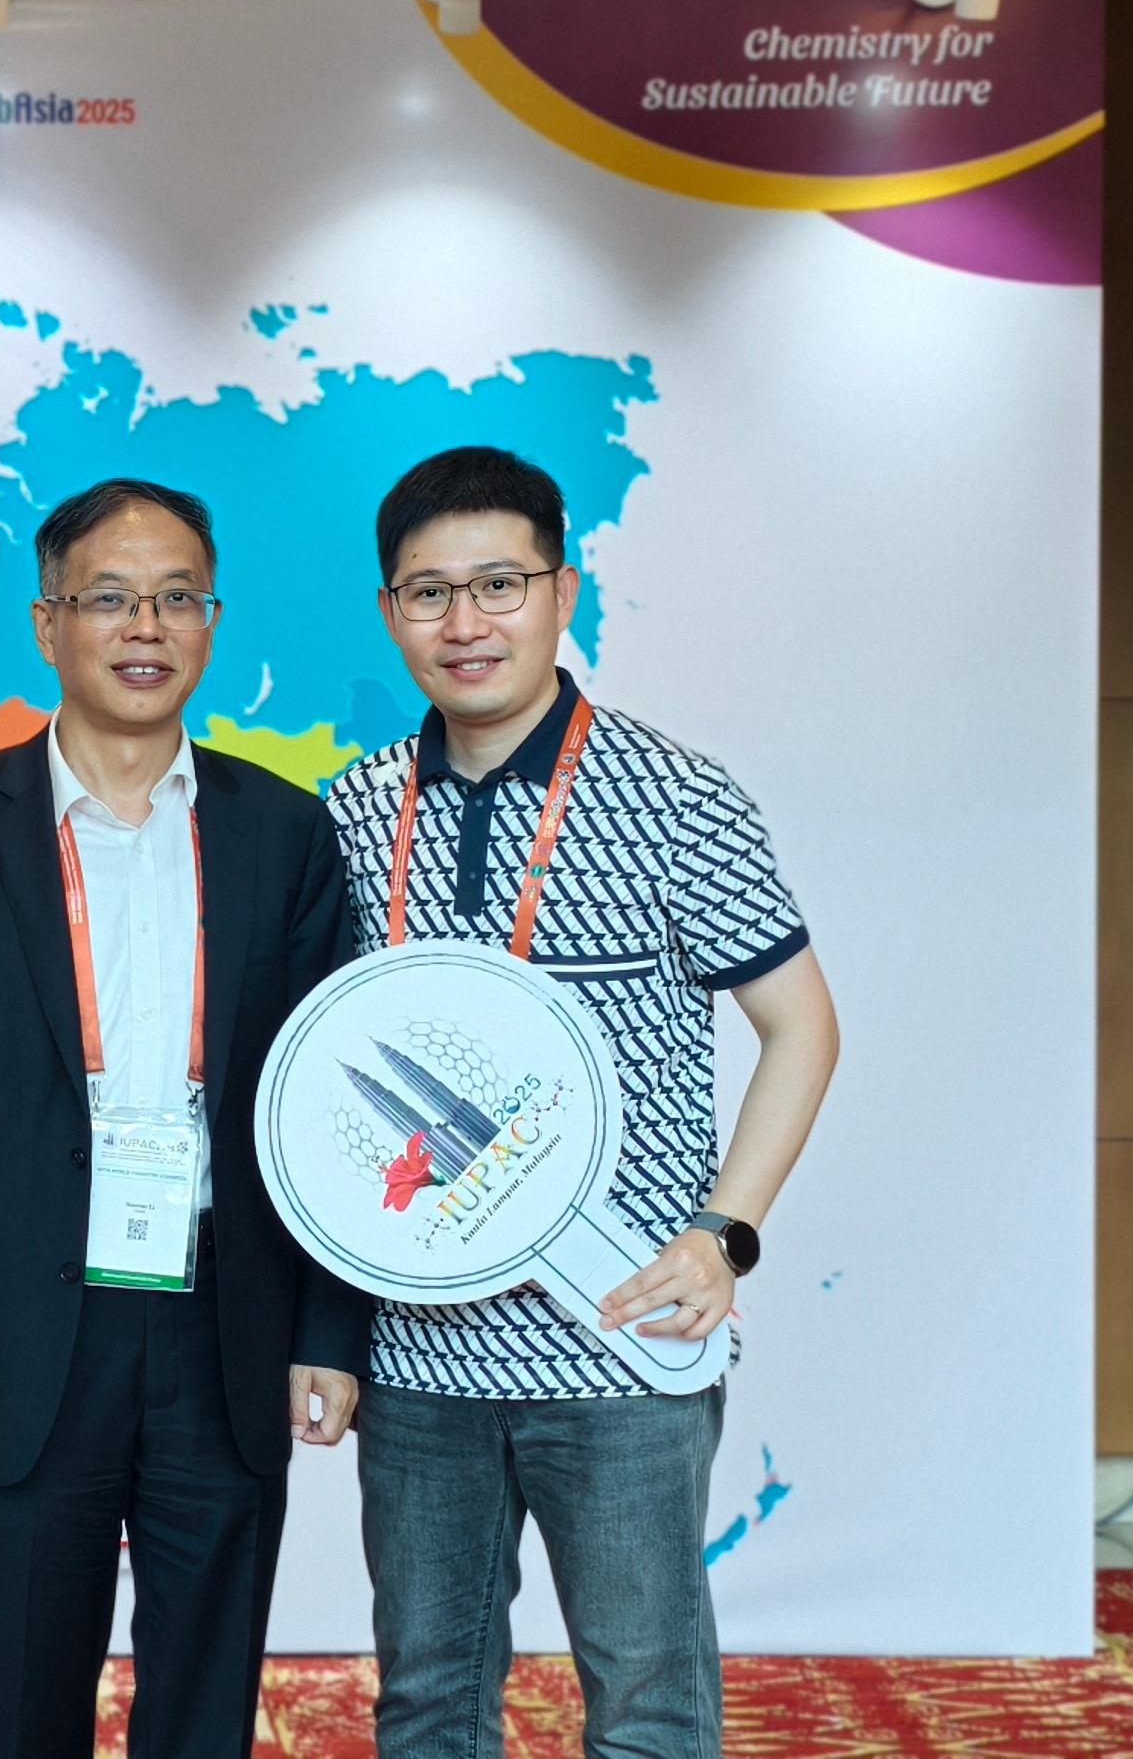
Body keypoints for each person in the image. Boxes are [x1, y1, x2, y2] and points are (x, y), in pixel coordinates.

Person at [324, 447, 841, 1759]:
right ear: (390, 612)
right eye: (429, 593)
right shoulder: (352, 811)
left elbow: (801, 1027)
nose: (465, 622)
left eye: (498, 584)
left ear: (562, 592)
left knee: (648, 1706)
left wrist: (723, 1235)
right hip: (419, 1353)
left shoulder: (677, 796)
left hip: (621, 1339)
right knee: (427, 1701)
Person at [0, 478, 372, 1759]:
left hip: (225, 1323)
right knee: (27, 1698)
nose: (146, 627)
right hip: (22, 1332)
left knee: (206, 1705)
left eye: (177, 597)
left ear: (211, 622)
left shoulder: (285, 833)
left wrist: (326, 1329)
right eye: (109, 598)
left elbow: (331, 1106)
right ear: (48, 624)